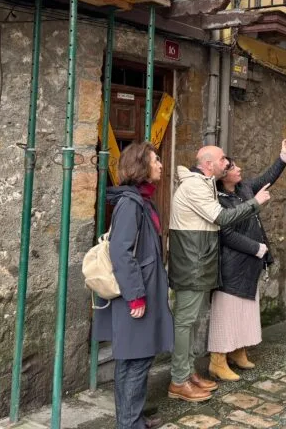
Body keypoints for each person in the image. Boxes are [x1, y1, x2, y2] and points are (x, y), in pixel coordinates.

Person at [168, 146, 271, 401]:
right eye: (223, 158)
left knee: (190, 323)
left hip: (200, 263)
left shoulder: (205, 184)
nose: (227, 162)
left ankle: (188, 373)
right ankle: (179, 380)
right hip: (191, 264)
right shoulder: (194, 186)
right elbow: (222, 218)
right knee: (184, 322)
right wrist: (255, 204)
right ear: (208, 164)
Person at [93, 142, 173, 429]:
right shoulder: (130, 204)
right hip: (135, 295)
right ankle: (129, 424)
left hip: (142, 291)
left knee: (134, 361)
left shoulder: (141, 200)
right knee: (135, 362)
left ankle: (131, 419)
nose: (161, 165)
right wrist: (136, 297)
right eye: (156, 161)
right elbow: (121, 252)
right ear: (141, 167)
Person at [207, 139, 286, 381]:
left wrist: (283, 156)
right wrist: (257, 247)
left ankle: (238, 351)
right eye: (233, 168)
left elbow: (268, 177)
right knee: (227, 312)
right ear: (224, 176)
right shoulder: (219, 199)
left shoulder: (245, 189)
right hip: (232, 264)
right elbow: (226, 234)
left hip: (249, 264)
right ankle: (217, 360)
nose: (239, 170)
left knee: (244, 310)